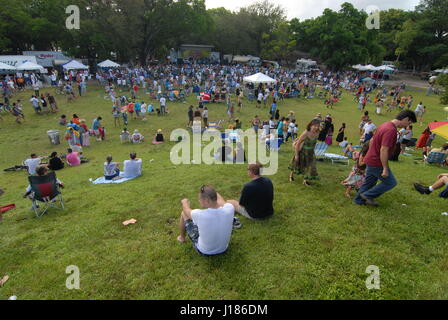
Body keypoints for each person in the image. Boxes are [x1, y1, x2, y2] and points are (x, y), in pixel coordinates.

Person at [353, 110, 417, 206]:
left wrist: (370, 153)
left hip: (370, 159)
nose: (407, 125)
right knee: (390, 183)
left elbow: (372, 140)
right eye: (409, 122)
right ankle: (367, 195)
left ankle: (358, 200)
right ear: (406, 118)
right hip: (376, 161)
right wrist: (385, 168)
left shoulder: (386, 124)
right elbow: (384, 150)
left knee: (369, 183)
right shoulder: (391, 130)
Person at [177, 185, 235, 257]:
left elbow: (186, 210)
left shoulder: (200, 214)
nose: (198, 200)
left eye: (200, 198)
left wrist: (184, 202)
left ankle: (181, 238)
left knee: (183, 213)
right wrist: (210, 191)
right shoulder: (230, 208)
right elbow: (221, 201)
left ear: (207, 200)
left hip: (205, 252)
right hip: (223, 249)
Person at [289, 119, 321, 185]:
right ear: (311, 125)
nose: (316, 127)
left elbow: (314, 143)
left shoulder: (318, 132)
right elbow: (298, 144)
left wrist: (313, 152)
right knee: (297, 164)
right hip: (303, 152)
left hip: (311, 152)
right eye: (314, 126)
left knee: (310, 166)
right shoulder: (306, 133)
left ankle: (305, 180)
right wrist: (297, 155)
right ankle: (291, 176)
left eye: (318, 126)